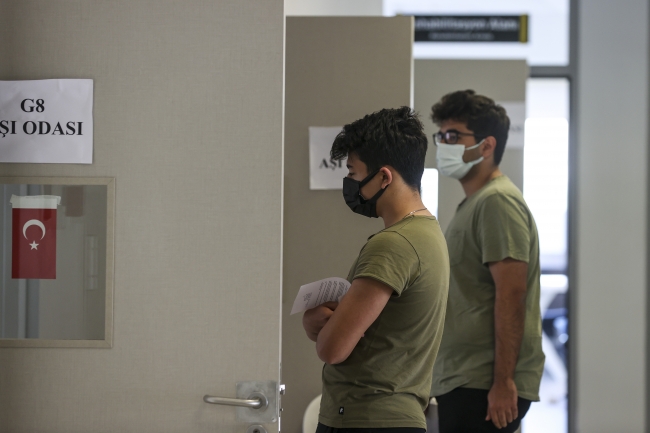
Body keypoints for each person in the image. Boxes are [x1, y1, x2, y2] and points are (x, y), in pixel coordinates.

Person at [302, 107, 450, 433]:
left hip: (365, 417)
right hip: (395, 415)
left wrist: (322, 326)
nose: (350, 183)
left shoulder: (393, 244)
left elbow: (332, 349)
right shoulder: (429, 233)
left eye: (353, 172)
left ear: (384, 177)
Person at [429, 90, 545, 433]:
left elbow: (512, 294)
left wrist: (504, 381)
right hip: (464, 378)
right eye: (441, 136)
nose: (443, 144)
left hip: (482, 384)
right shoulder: (475, 203)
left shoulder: (498, 202)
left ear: (487, 146)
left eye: (453, 136)